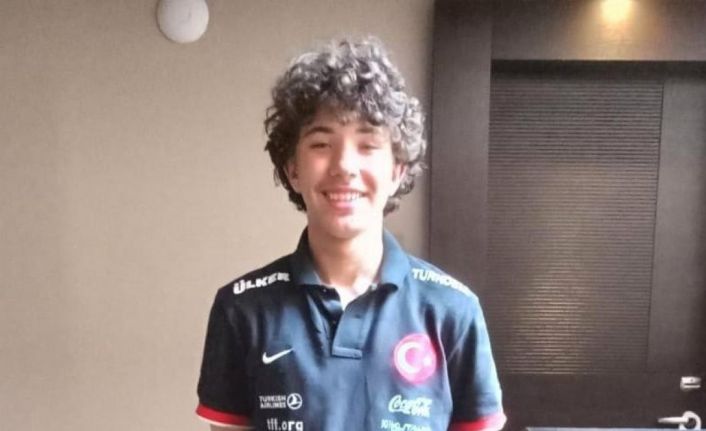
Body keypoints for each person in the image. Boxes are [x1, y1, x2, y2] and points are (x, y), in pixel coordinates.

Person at [195, 37, 506, 431]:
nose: (344, 165)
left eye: (367, 144)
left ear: (397, 171)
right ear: (293, 169)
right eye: (321, 143)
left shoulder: (453, 310)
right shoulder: (242, 309)